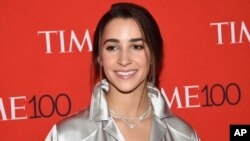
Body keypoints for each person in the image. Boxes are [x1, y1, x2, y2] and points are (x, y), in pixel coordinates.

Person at [45, 2, 200, 141]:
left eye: (136, 46)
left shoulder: (183, 135)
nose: (124, 60)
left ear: (153, 55)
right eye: (112, 47)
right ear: (99, 57)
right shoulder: (68, 136)